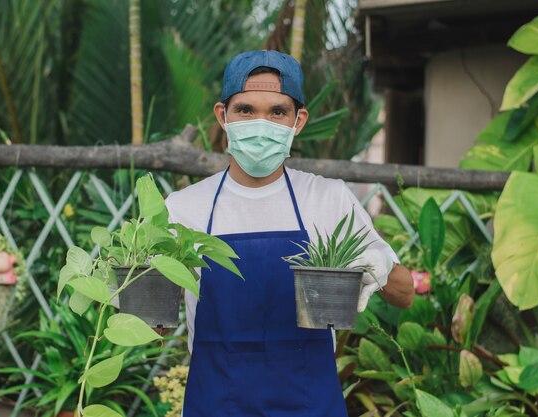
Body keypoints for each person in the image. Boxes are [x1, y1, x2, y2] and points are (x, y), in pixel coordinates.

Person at [165, 50, 414, 417]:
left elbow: (405, 295)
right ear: (223, 116)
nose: (260, 122)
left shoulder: (329, 199)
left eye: (277, 112)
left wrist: (379, 266)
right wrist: (126, 288)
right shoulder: (184, 208)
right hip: (217, 404)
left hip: (310, 404)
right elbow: (154, 325)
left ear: (298, 121)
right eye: (246, 110)